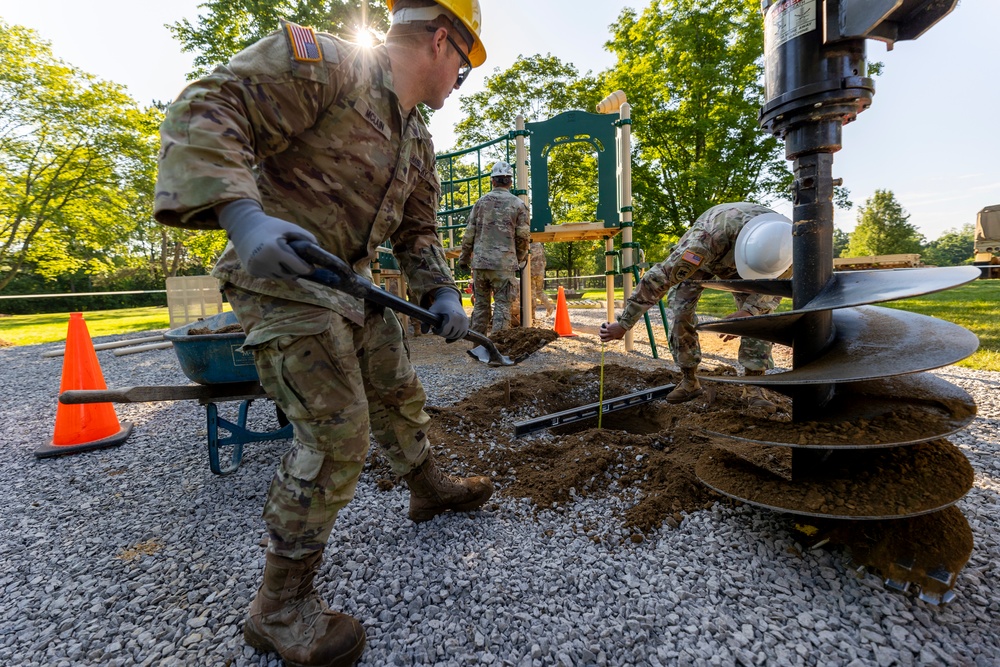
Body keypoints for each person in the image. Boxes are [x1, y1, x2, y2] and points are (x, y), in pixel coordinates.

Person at [154, 2, 492, 666]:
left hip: (349, 279)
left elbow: (417, 231)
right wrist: (243, 218)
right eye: (464, 64)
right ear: (441, 39)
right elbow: (208, 106)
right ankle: (278, 607)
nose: (461, 79)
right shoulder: (329, 65)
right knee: (338, 431)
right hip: (279, 271)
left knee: (398, 390)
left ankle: (426, 489)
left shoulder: (417, 138)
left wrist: (443, 292)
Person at [599, 202, 793, 408]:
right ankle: (689, 381)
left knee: (758, 320)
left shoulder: (790, 246)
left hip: (759, 266)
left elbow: (774, 289)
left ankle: (754, 387)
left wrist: (748, 311)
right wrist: (624, 324)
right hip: (711, 255)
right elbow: (658, 279)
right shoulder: (704, 242)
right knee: (681, 313)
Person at [457, 160, 531, 333]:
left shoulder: (480, 203)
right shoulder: (519, 205)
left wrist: (464, 258)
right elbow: (523, 237)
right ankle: (497, 348)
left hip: (481, 264)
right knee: (502, 306)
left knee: (481, 306)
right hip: (504, 265)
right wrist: (519, 257)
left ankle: (477, 346)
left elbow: (469, 234)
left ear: (493, 181)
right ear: (510, 182)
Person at [529, 241, 554, 319]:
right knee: (539, 292)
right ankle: (549, 307)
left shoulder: (528, 245)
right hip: (540, 271)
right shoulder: (539, 244)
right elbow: (544, 260)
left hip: (531, 271)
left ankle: (532, 315)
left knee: (531, 294)